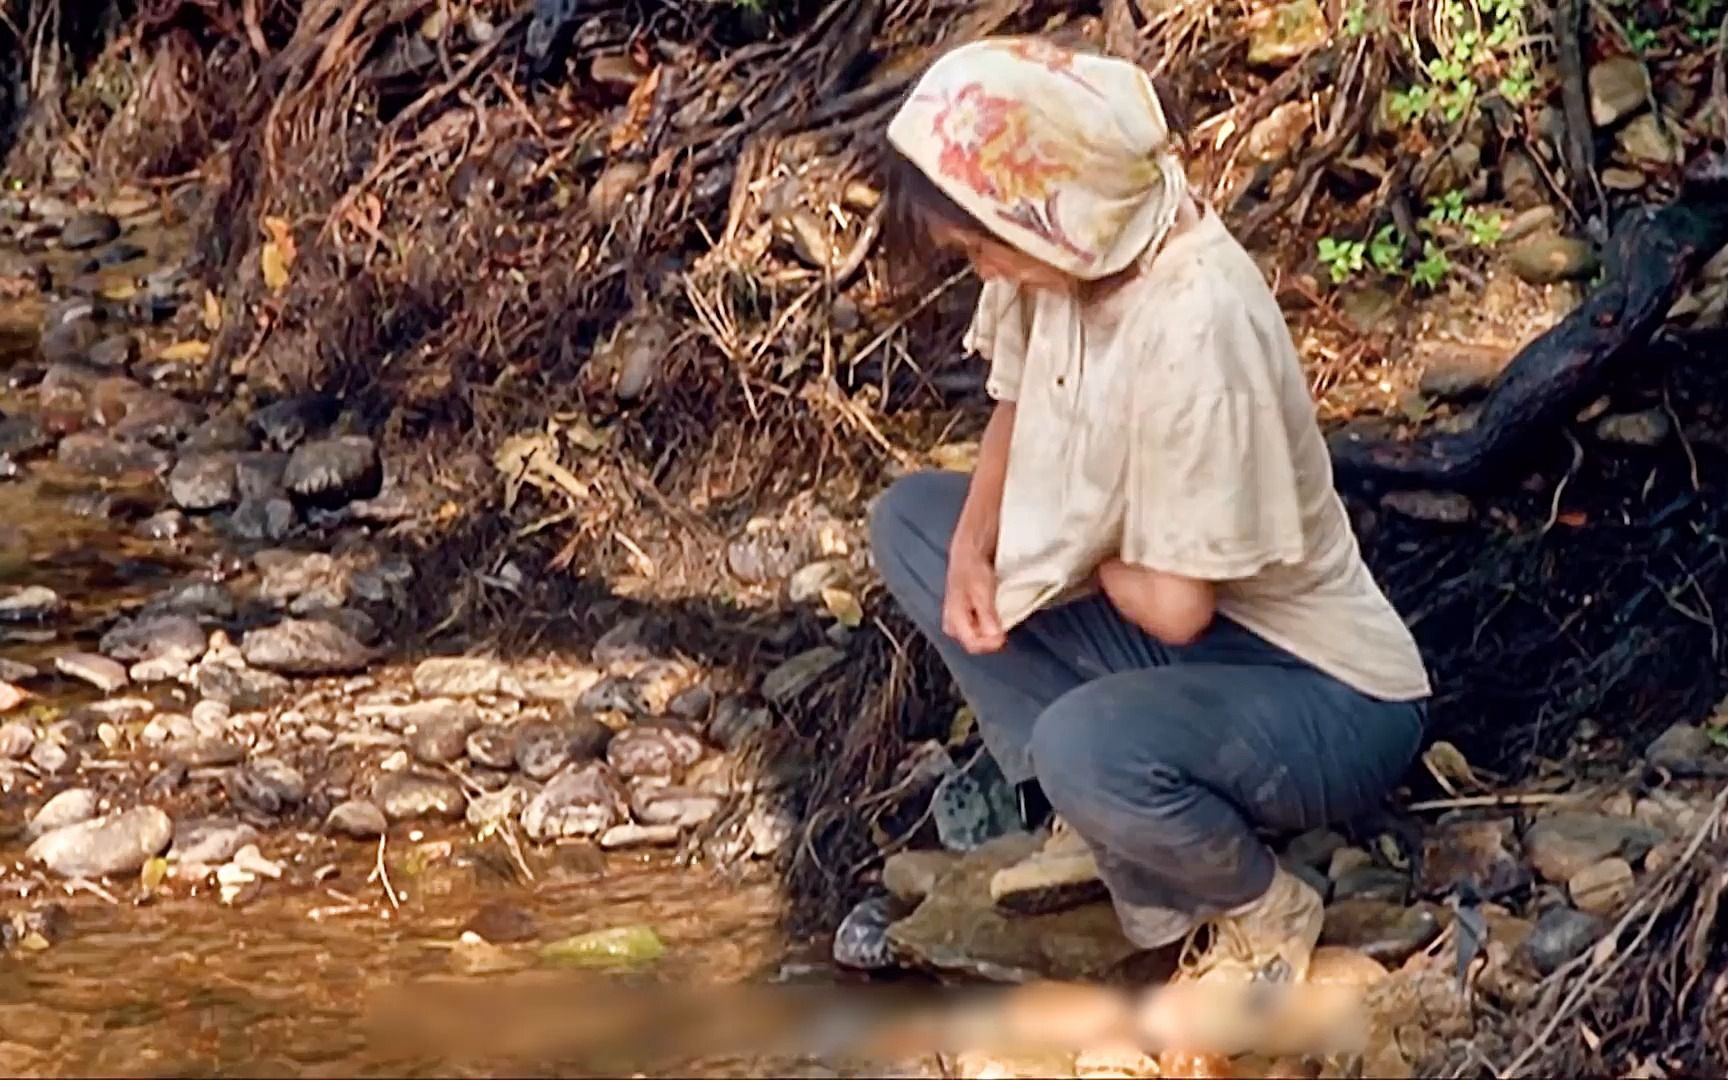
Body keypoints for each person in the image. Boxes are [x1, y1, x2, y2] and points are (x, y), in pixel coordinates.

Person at [867, 37, 1433, 1054]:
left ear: (1050, 210)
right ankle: (1100, 826)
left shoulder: (1195, 319)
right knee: (913, 523)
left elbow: (1177, 607)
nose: (983, 269)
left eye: (982, 250)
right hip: (1182, 637)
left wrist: (1067, 538)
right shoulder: (1061, 252)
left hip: (1327, 692)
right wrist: (975, 551)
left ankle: (1260, 908)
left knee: (1091, 739)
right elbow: (1011, 398)